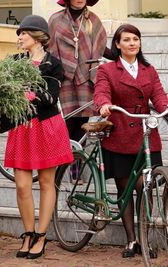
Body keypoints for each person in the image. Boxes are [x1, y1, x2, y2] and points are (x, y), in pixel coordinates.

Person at [94, 24, 167, 258]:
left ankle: (145, 239)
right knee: (125, 188)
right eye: (126, 40)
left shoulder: (149, 69)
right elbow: (101, 91)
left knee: (145, 188)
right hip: (120, 133)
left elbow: (159, 96)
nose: (132, 43)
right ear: (117, 44)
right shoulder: (107, 70)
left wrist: (166, 110)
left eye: (136, 39)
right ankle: (131, 240)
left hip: (146, 135)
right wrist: (104, 104)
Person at [4, 15, 74, 259]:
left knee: (46, 183)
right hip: (21, 128)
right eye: (19, 34)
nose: (19, 37)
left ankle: (42, 236)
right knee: (22, 185)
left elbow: (51, 97)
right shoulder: (13, 62)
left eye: (23, 33)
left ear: (37, 36)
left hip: (47, 127)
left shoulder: (54, 64)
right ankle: (29, 232)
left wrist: (29, 95)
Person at [48, 0, 108, 141]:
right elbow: (48, 47)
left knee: (82, 127)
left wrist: (120, 55)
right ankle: (64, 162)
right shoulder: (55, 19)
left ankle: (78, 162)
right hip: (63, 78)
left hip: (85, 78)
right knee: (65, 125)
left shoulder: (93, 20)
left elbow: (101, 47)